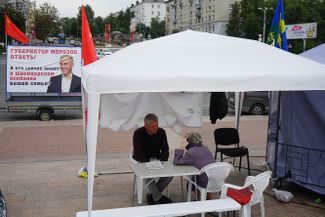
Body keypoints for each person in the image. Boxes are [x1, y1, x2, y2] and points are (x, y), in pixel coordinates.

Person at [133, 113, 173, 205]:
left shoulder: (161, 132)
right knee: (148, 176)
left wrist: (162, 161)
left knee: (169, 175)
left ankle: (152, 195)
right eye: (153, 126)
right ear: (146, 126)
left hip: (158, 160)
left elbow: (165, 150)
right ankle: (158, 198)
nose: (156, 128)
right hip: (143, 160)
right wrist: (149, 163)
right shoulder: (138, 133)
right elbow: (138, 153)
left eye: (157, 125)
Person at [173, 132, 215, 198]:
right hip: (215, 179)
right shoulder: (205, 148)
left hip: (204, 181)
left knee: (193, 181)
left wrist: (181, 147)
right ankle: (208, 200)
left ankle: (199, 201)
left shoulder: (191, 152)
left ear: (188, 141)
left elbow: (177, 162)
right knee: (199, 176)